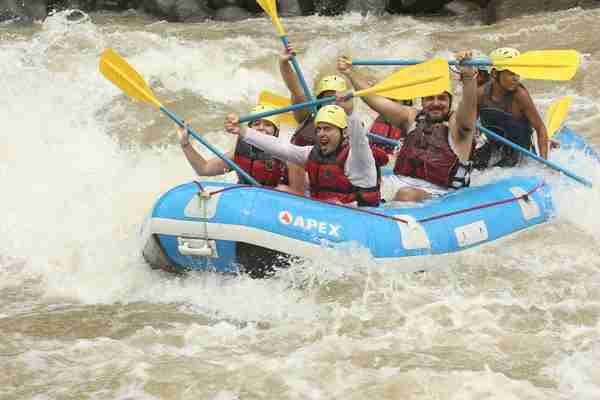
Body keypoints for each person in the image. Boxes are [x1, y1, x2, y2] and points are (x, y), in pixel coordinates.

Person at [336, 52, 479, 202]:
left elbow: (469, 105)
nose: (436, 103)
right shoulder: (412, 117)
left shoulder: (460, 125)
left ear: (450, 102)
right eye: (430, 98)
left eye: (442, 98)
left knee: (406, 195)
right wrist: (350, 73)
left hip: (438, 192)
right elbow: (375, 99)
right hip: (398, 181)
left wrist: (468, 76)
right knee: (357, 185)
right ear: (422, 102)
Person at [224, 105, 389, 207]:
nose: (322, 133)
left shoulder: (358, 157)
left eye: (328, 129)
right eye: (319, 129)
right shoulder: (311, 153)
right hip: (320, 214)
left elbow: (360, 141)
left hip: (357, 216)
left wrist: (350, 111)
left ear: (344, 132)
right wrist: (244, 131)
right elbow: (280, 148)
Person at [278, 45, 354, 193]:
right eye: (327, 98)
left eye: (337, 99)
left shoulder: (352, 125)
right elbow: (296, 89)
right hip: (298, 177)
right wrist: (284, 63)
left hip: (327, 181)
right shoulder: (306, 115)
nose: (332, 103)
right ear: (318, 101)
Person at [473, 47, 549, 169]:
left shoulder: (520, 96)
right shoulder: (480, 94)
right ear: (494, 73)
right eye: (511, 73)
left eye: (517, 73)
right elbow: (470, 128)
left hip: (520, 151)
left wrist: (544, 163)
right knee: (472, 166)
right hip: (494, 147)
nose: (516, 78)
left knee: (499, 169)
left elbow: (540, 128)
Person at [177, 104, 288, 188]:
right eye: (256, 124)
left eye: (268, 125)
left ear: (276, 132)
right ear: (249, 130)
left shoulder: (285, 154)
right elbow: (203, 169)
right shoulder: (241, 151)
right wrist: (185, 144)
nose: (261, 128)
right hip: (245, 196)